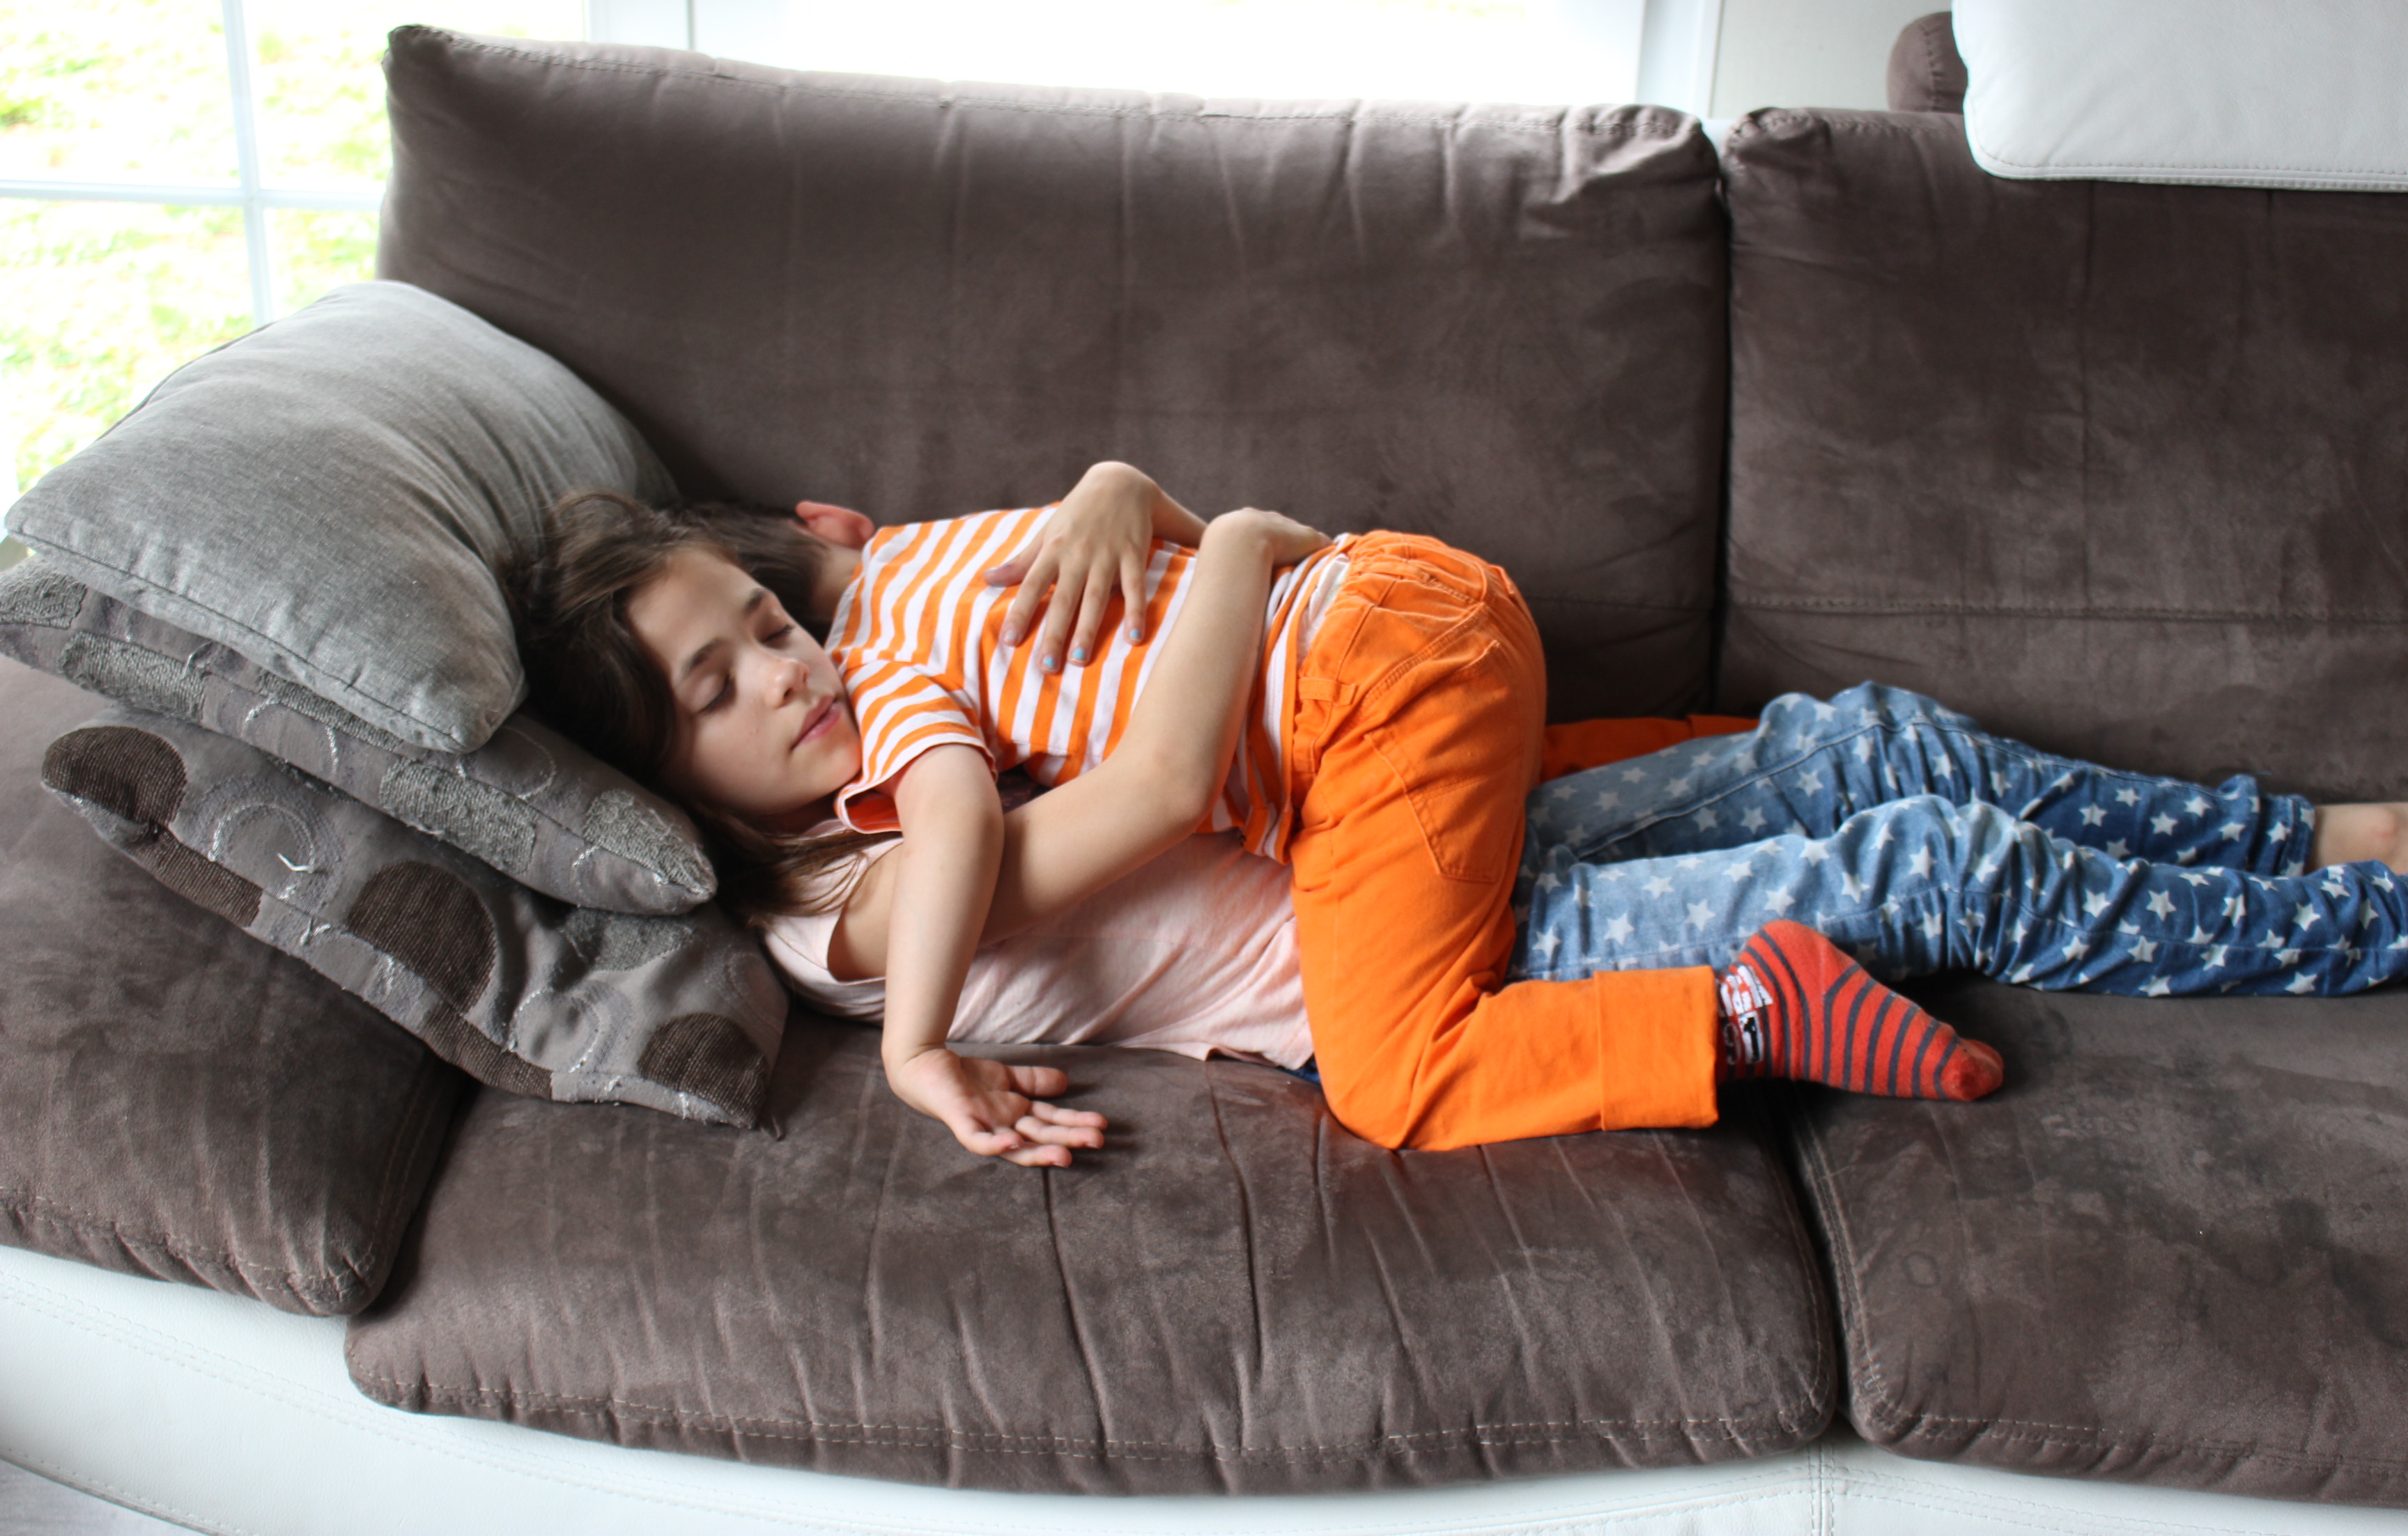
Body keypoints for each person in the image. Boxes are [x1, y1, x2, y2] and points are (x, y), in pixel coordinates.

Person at [511, 463, 2408, 1165]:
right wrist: (918, 1047)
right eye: (717, 691)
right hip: (1458, 931)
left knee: (1867, 755)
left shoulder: (902, 698)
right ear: (661, 786)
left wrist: (1127, 506)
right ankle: (2360, 903)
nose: (786, 674)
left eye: (766, 628)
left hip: (1424, 852)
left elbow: (1003, 665)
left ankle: (2311, 840)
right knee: (1893, 818)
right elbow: (1077, 809)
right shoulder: (844, 908)